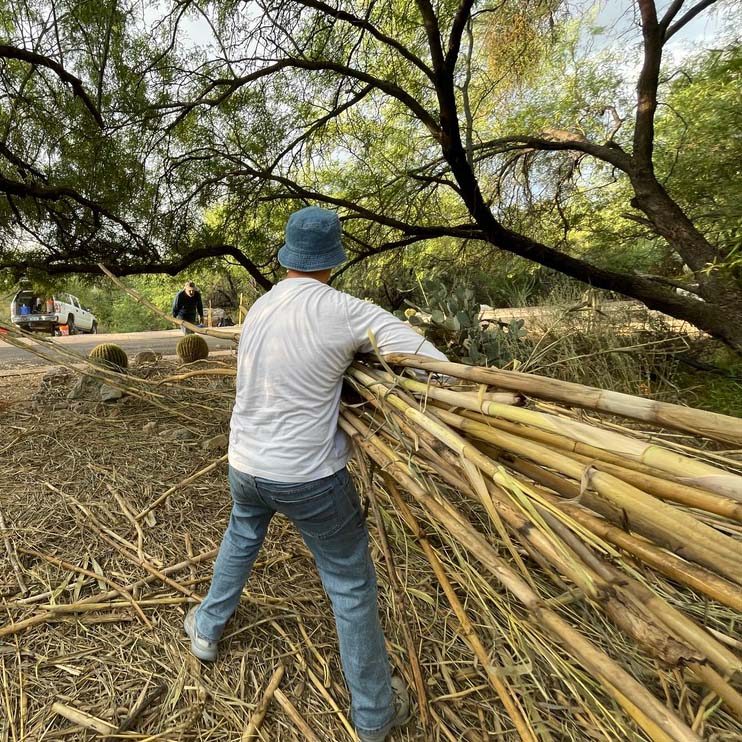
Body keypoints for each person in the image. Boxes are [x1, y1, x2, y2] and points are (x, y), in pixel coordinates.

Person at [184, 206, 448, 741]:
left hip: (245, 464)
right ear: (334, 259)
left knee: (242, 533)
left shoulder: (260, 306)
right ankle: (375, 714)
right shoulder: (348, 311)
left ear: (287, 255)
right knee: (350, 584)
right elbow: (432, 363)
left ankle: (207, 630)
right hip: (309, 477)